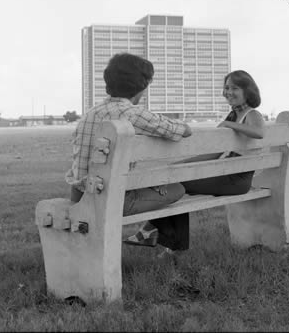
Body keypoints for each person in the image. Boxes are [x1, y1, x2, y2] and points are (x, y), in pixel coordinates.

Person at [126, 70, 265, 252]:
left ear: (248, 91)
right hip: (228, 174)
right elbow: (214, 153)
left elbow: (259, 132)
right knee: (176, 181)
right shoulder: (232, 116)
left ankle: (157, 234)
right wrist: (181, 166)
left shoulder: (251, 114)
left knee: (176, 183)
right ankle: (163, 238)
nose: (228, 92)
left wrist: (228, 125)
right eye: (227, 87)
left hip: (237, 180)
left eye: (235, 88)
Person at [65, 52, 192, 251]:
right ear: (142, 86)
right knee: (177, 188)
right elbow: (183, 130)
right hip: (112, 200)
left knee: (160, 183)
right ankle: (159, 236)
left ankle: (153, 233)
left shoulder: (91, 113)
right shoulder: (131, 113)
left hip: (80, 194)